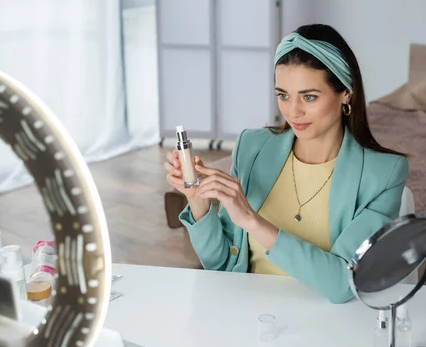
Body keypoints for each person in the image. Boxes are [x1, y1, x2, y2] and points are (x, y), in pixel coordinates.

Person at [163, 24, 409, 304]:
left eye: (309, 97)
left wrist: (252, 221)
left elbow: (344, 283)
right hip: (249, 317)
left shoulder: (384, 174)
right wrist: (197, 201)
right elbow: (220, 265)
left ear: (346, 94)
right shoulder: (252, 147)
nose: (293, 112)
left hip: (328, 327)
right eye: (283, 95)